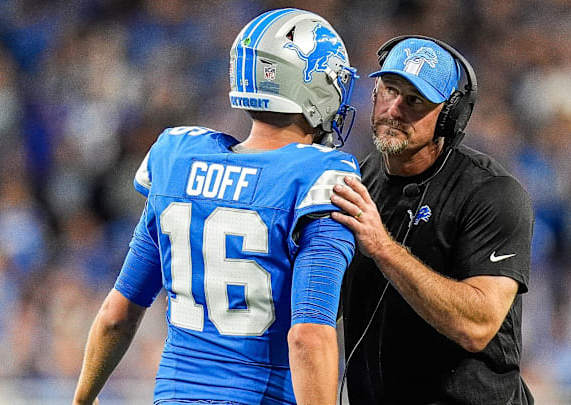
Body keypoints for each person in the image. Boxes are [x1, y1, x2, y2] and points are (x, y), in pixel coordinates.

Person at [72, 8, 360, 405]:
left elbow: (117, 314)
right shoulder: (319, 175)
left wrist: (83, 399)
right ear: (310, 87)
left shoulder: (177, 158)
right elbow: (308, 334)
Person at [331, 36, 535, 404]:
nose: (394, 109)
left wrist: (383, 249)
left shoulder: (492, 193)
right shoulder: (359, 179)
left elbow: (478, 325)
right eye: (389, 90)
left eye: (414, 101)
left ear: (449, 116)